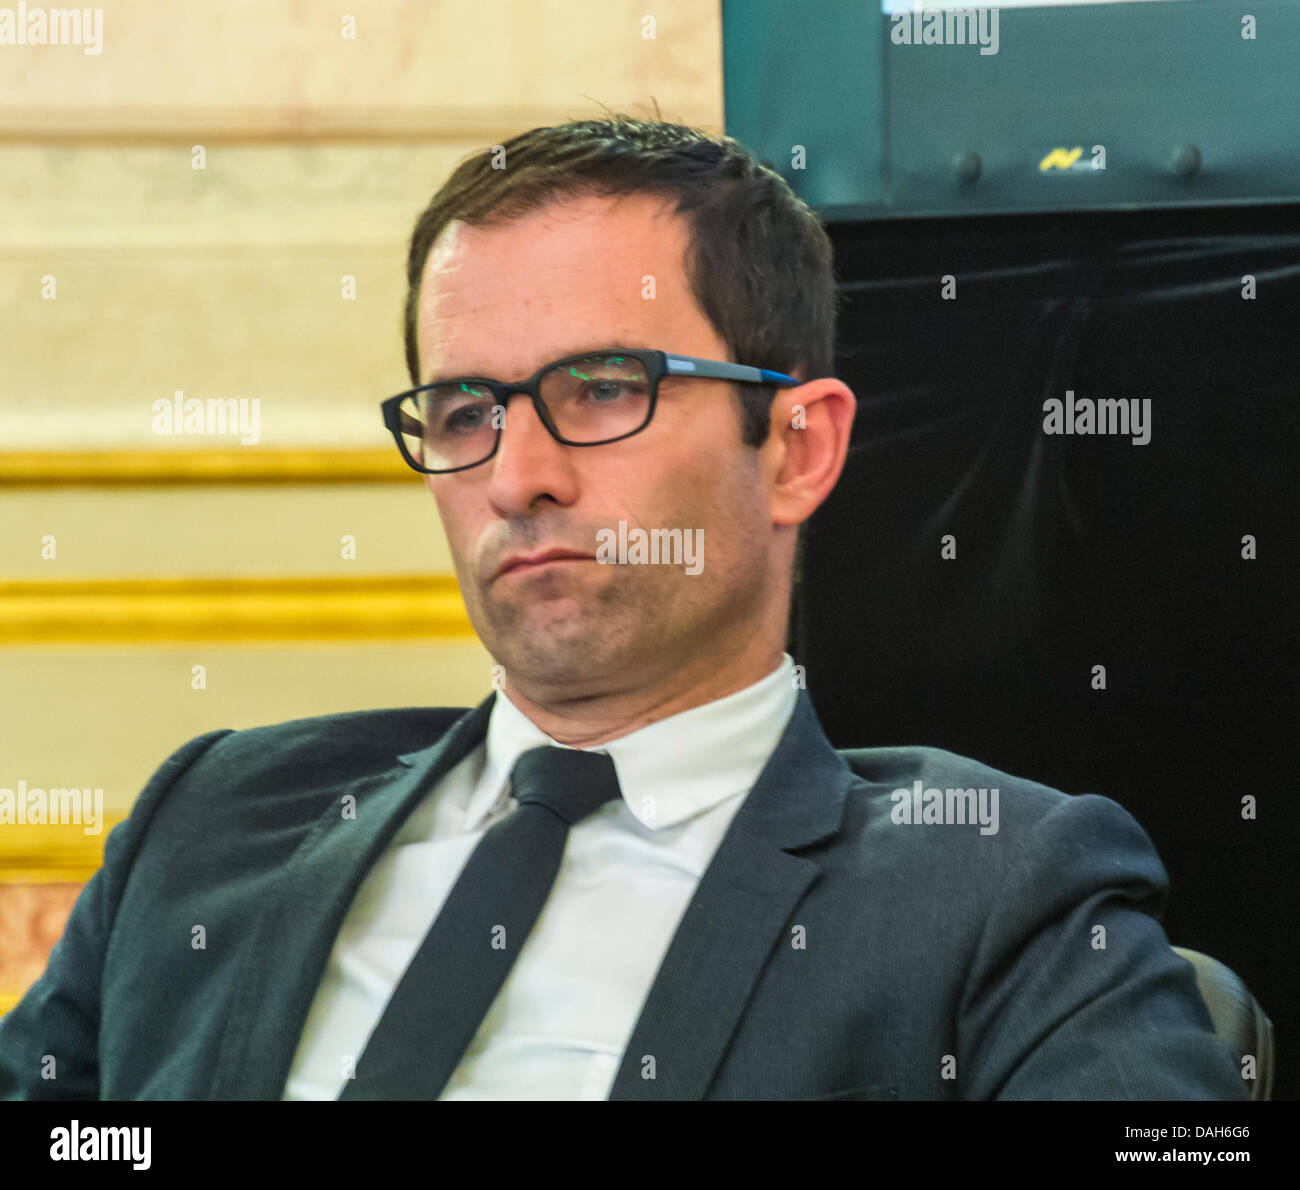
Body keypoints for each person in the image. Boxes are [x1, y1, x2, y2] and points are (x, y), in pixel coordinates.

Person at [0, 115, 1248, 1101]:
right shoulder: (212, 821)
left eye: (600, 390)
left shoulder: (999, 889)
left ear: (796, 450)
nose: (514, 474)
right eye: (463, 410)